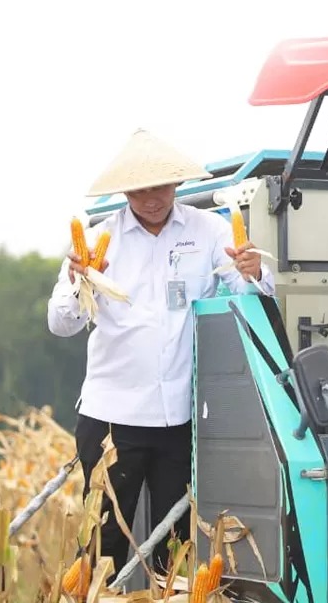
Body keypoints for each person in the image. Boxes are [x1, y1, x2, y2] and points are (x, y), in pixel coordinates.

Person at [47, 128, 277, 581]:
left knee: (174, 545)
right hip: (112, 416)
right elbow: (60, 323)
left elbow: (252, 298)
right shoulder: (97, 241)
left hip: (180, 416)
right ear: (125, 190)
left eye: (161, 186)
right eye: (140, 189)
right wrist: (82, 282)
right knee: (104, 538)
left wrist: (255, 272)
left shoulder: (208, 230)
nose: (152, 198)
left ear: (177, 184)